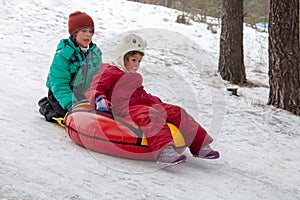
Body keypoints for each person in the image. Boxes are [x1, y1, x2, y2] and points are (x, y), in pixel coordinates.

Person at [85, 33, 219, 164]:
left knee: (177, 111)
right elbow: (95, 88)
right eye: (133, 60)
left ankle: (200, 146)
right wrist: (99, 99)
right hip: (125, 108)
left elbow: (140, 93)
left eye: (139, 61)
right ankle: (164, 150)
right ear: (122, 57)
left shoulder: (134, 76)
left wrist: (153, 100)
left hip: (144, 104)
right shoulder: (110, 72)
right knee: (152, 115)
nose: (137, 65)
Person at [38, 11, 102, 123]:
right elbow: (59, 84)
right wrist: (72, 105)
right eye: (84, 31)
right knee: (72, 116)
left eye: (91, 31)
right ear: (74, 34)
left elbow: (98, 80)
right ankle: (47, 106)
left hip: (83, 96)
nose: (88, 35)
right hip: (61, 95)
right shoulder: (63, 55)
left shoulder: (95, 54)